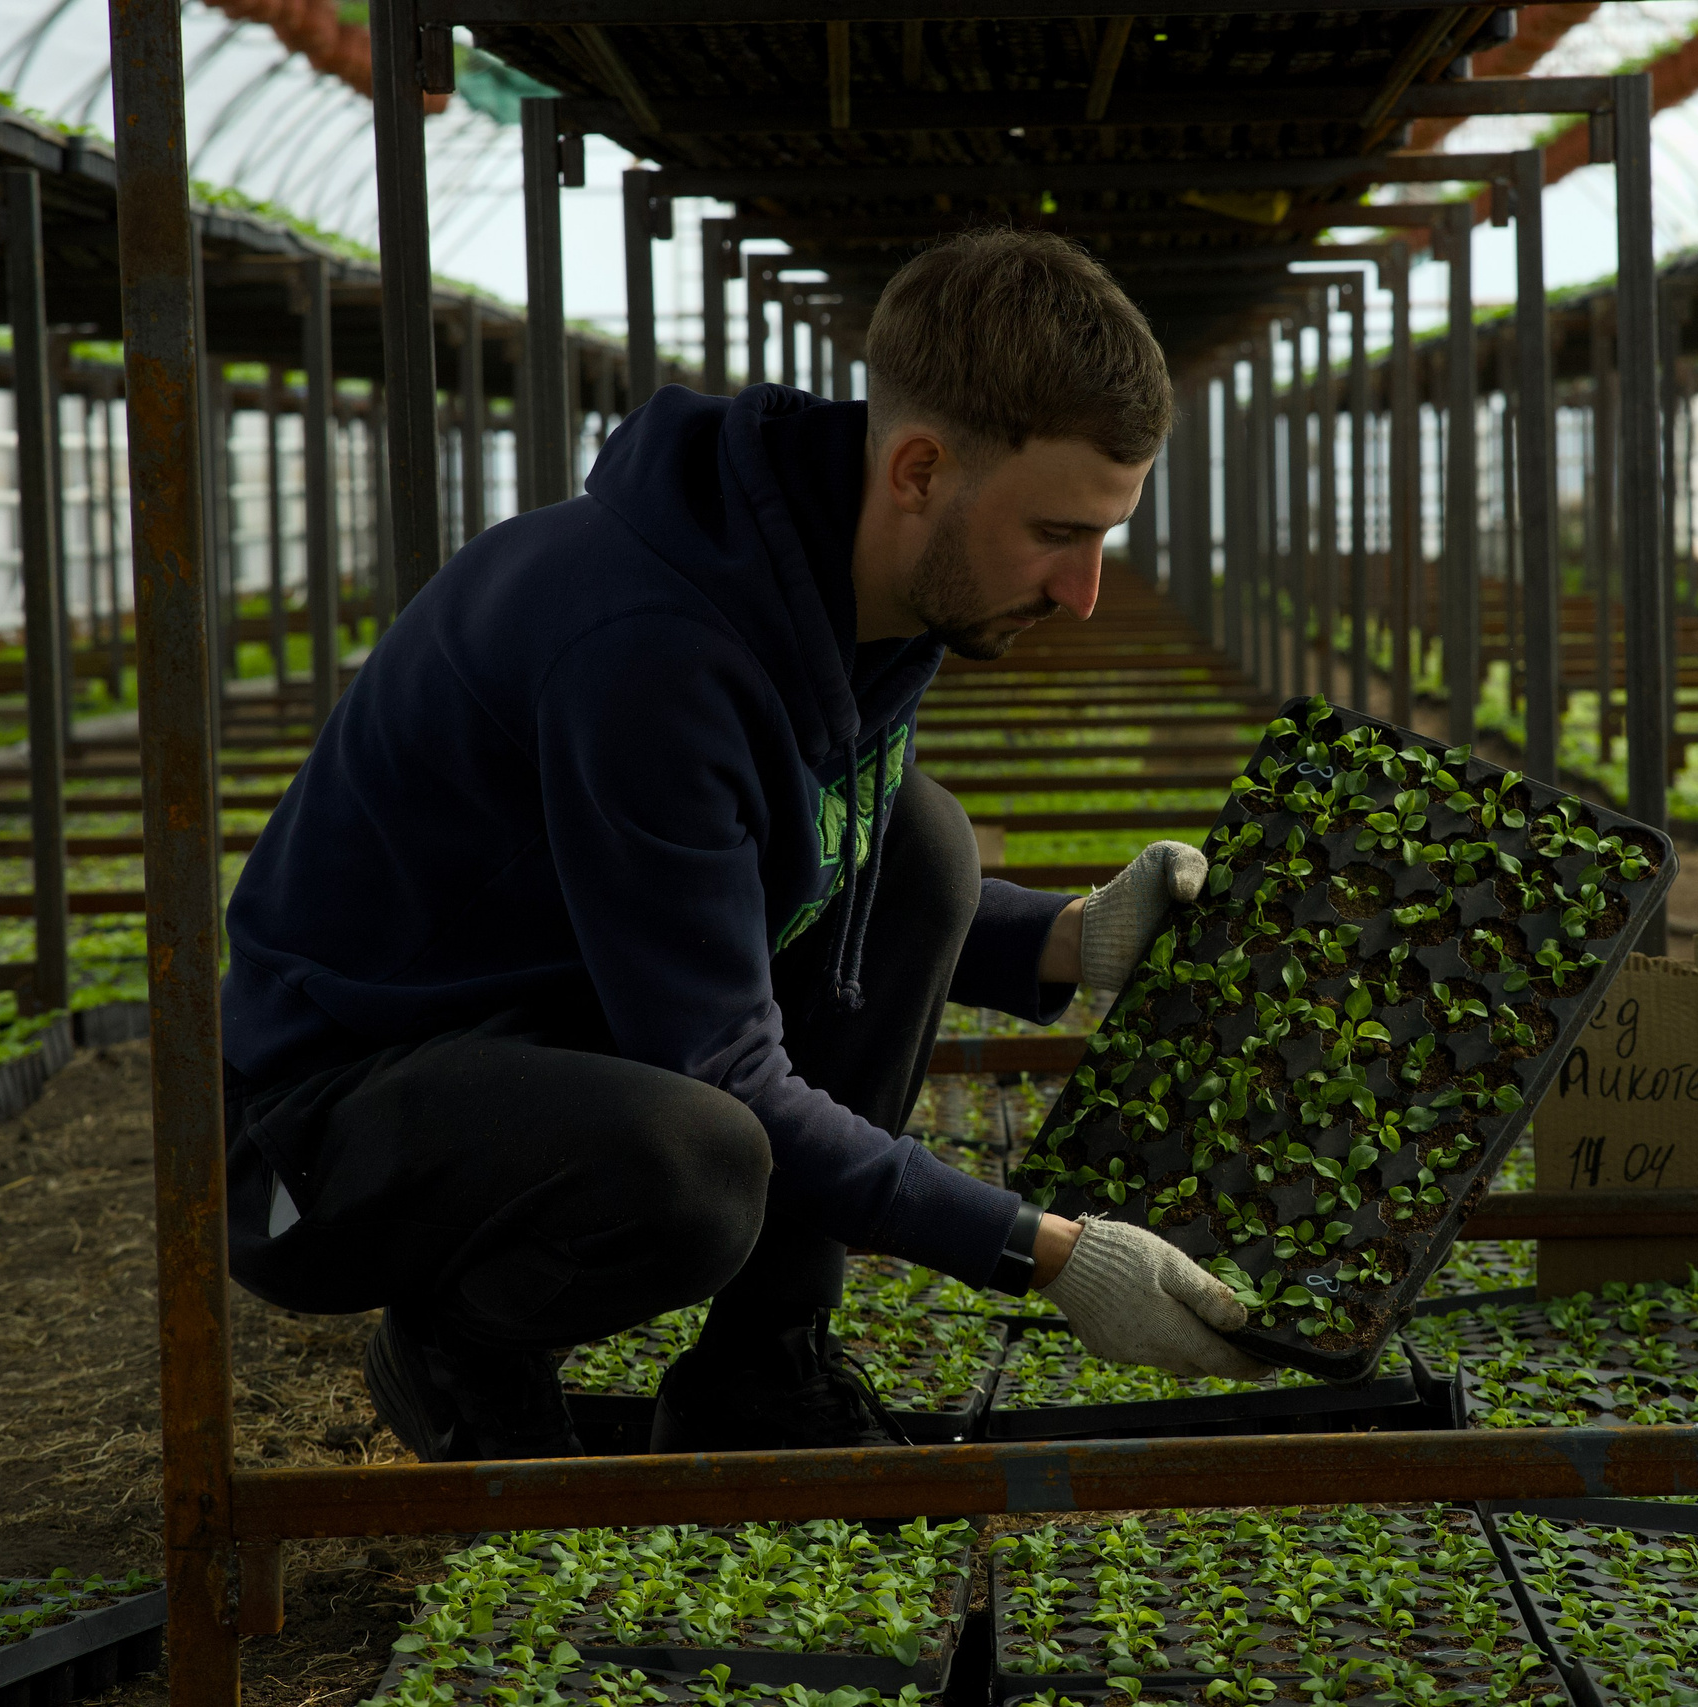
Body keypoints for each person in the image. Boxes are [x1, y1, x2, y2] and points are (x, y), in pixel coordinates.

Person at [217, 228, 1267, 1462]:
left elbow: (784, 869)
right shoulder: (646, 649)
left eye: (1102, 536)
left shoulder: (872, 584)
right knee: (700, 1160)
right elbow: (722, 1069)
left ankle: (760, 1372)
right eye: (1059, 534)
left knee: (919, 845)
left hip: (541, 1035)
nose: (1084, 589)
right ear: (920, 467)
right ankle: (461, 1341)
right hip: (327, 1142)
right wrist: (1048, 1254)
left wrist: (1066, 942)